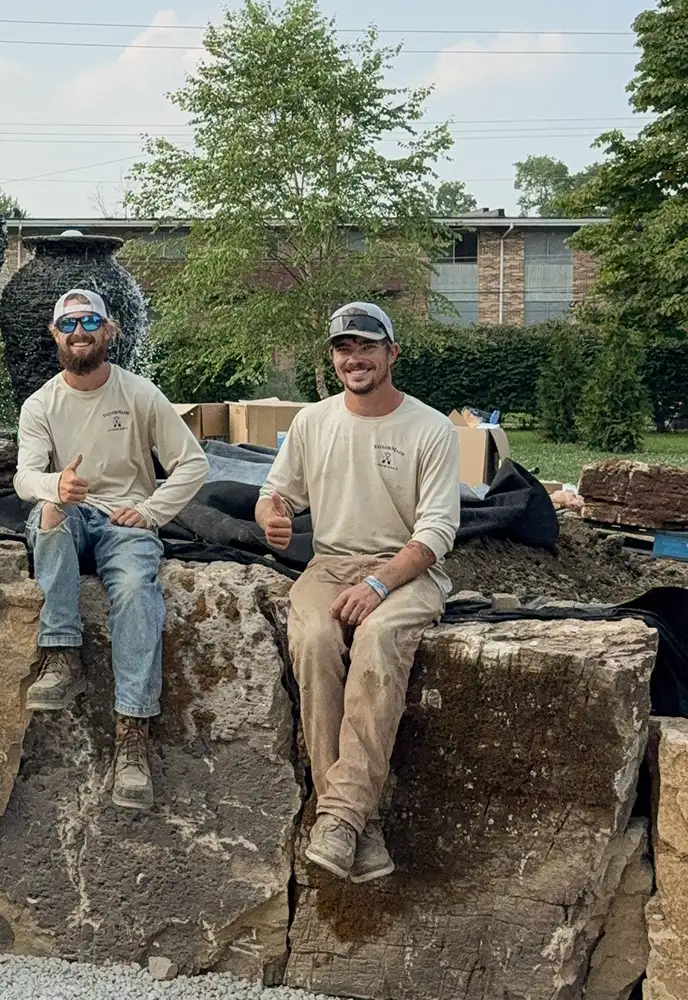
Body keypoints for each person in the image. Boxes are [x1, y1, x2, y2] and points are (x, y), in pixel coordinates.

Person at [256, 301, 460, 882]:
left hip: (407, 572)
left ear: (392, 353)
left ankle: (337, 817)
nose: (355, 358)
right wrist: (270, 514)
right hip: (329, 564)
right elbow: (276, 494)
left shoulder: (429, 428)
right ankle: (353, 824)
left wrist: (378, 583)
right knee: (317, 640)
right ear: (333, 358)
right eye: (344, 348)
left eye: (367, 346)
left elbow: (438, 533)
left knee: (377, 639)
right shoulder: (313, 423)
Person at [12, 289, 209, 809]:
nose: (80, 331)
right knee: (49, 520)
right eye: (69, 323)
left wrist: (150, 512)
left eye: (91, 321)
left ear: (110, 330)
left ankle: (132, 735)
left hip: (125, 518)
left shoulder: (140, 394)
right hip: (71, 509)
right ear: (56, 334)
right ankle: (61, 654)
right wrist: (56, 487)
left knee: (135, 589)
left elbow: (192, 464)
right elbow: (24, 476)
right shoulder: (41, 404)